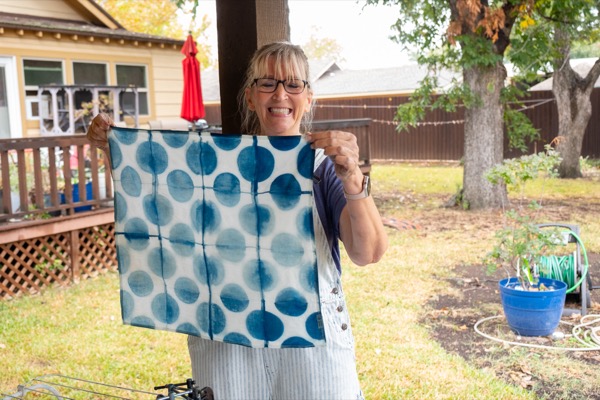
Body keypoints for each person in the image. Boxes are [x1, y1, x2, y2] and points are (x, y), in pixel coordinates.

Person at [87, 41, 388, 400]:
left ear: (308, 98)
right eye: (267, 83)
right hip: (227, 337)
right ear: (251, 97)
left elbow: (368, 252)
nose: (280, 94)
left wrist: (352, 177)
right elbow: (154, 201)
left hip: (312, 350)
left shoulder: (324, 168)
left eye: (293, 84)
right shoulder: (211, 165)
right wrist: (114, 147)